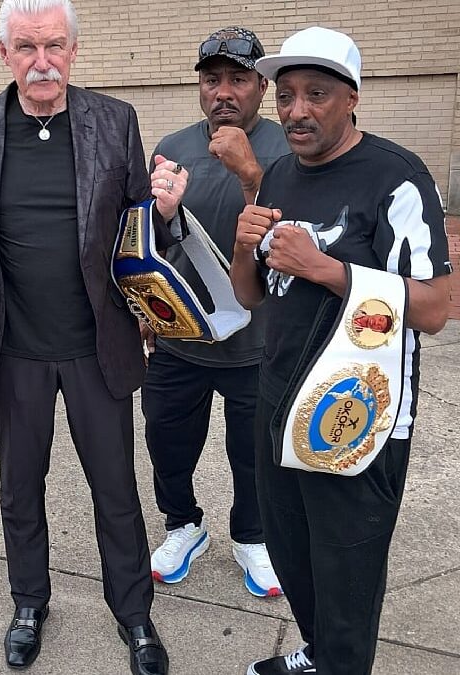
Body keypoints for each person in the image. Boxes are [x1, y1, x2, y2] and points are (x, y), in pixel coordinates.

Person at [0, 1, 186, 672]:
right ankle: (29, 602)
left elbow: (141, 226)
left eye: (54, 45)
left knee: (115, 488)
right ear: (5, 54)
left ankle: (134, 614)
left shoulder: (115, 122)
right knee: (20, 487)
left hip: (97, 345)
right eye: (26, 47)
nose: (42, 61)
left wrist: (163, 215)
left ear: (74, 50)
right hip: (13, 346)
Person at [230, 26, 451, 675]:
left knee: (347, 575)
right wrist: (246, 246)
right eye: (288, 95)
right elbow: (252, 298)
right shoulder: (276, 173)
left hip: (359, 410)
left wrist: (327, 268)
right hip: (279, 400)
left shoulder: (397, 176)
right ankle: (321, 654)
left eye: (317, 94)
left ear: (352, 97)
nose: (297, 110)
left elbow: (435, 307)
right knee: (295, 556)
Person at [142, 27, 289, 597]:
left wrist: (252, 174)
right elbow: (152, 240)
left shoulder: (285, 147)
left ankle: (251, 536)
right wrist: (161, 216)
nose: (223, 92)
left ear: (260, 85)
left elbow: (300, 235)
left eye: (237, 79)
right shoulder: (174, 146)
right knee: (167, 442)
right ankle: (183, 525)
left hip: (260, 343)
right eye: (212, 80)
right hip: (181, 339)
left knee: (254, 454)